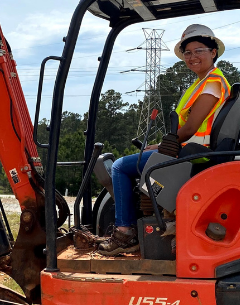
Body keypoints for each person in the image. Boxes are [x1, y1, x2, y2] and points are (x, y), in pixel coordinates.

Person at [97, 24, 231, 256]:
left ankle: (124, 232)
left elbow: (190, 128)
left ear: (213, 52)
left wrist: (162, 146)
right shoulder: (203, 83)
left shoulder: (212, 84)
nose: (192, 57)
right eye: (187, 53)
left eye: (199, 50)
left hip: (195, 152)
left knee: (119, 167)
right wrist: (160, 145)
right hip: (193, 150)